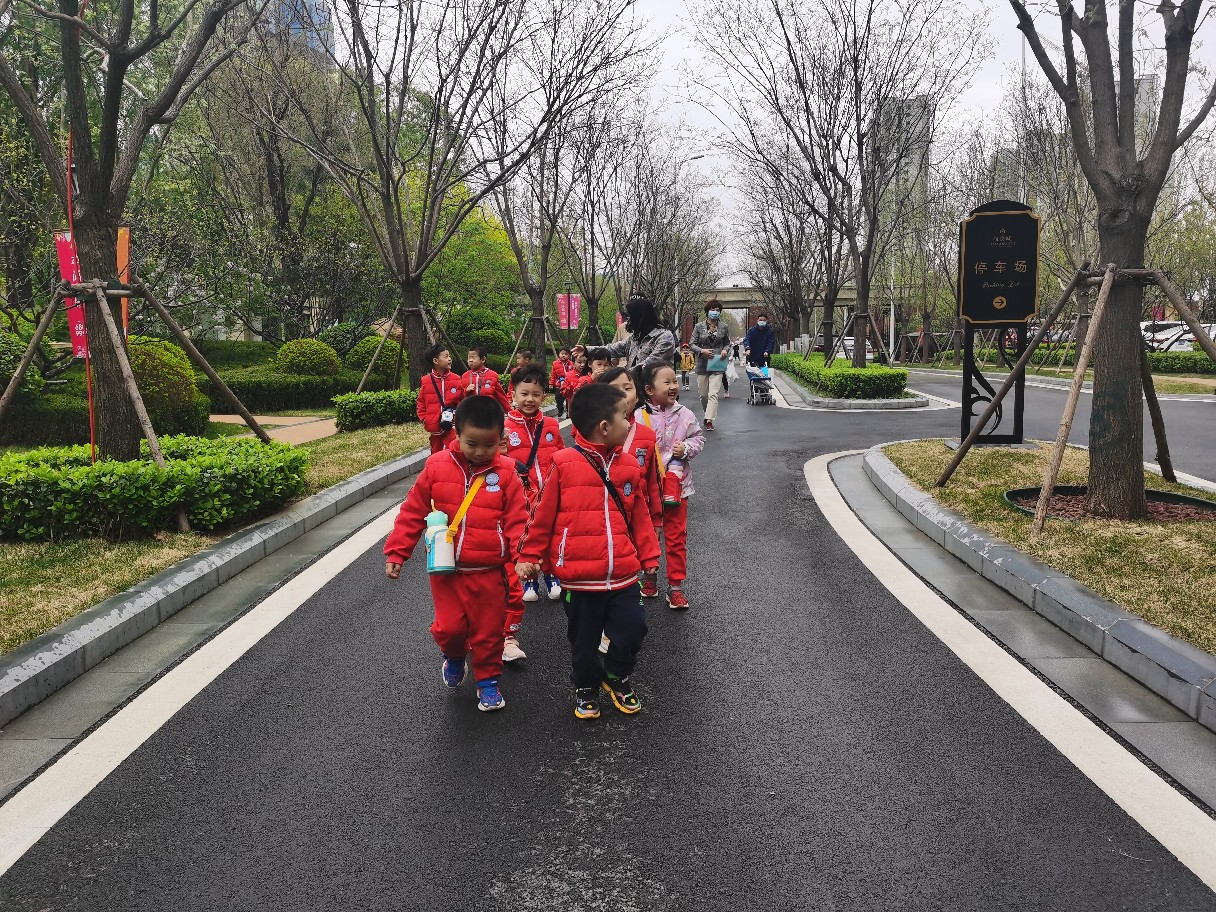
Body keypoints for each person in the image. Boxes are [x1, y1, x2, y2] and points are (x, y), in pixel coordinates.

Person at [515, 384, 660, 720]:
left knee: (634, 627)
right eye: (624, 416)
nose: (630, 423)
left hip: (623, 573)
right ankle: (586, 685)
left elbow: (639, 515)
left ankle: (616, 674)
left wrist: (649, 555)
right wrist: (529, 555)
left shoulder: (628, 466)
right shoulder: (563, 463)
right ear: (605, 427)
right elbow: (542, 514)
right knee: (583, 640)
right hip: (579, 578)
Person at [384, 396, 526, 712]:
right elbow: (413, 511)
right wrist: (397, 552)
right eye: (472, 443)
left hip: (489, 572)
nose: (480, 452)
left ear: (501, 439)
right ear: (457, 435)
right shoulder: (436, 467)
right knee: (450, 629)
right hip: (446, 571)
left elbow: (518, 520)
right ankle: (454, 654)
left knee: (489, 632)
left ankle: (488, 681)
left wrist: (524, 558)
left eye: (489, 445)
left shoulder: (506, 473)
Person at [637, 361, 704, 610]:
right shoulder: (638, 417)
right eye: (666, 382)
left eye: (675, 380)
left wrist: (686, 448)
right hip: (647, 490)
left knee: (676, 538)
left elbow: (698, 438)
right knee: (648, 535)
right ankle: (649, 576)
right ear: (649, 389)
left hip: (678, 488)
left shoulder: (685, 415)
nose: (673, 385)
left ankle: (675, 586)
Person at [504, 364, 565, 616]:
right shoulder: (506, 428)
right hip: (522, 495)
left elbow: (561, 454)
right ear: (514, 395)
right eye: (524, 393)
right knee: (525, 536)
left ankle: (551, 575)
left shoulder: (550, 424)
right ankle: (529, 580)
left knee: (550, 534)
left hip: (549, 493)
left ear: (543, 396)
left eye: (536, 394)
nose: (530, 399)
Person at [603, 293, 677, 370]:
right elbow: (613, 349)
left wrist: (622, 374)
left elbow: (648, 365)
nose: (628, 321)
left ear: (640, 318)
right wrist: (594, 350)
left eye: (631, 317)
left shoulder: (664, 338)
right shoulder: (634, 338)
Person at [416, 343, 466, 453]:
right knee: (436, 454)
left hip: (452, 425)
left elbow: (463, 401)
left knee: (454, 451)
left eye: (449, 356)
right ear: (435, 361)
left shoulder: (456, 379)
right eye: (446, 356)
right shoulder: (426, 380)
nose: (450, 359)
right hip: (434, 427)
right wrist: (424, 419)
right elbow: (421, 402)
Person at [689, 300, 731, 430]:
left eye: (717, 310)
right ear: (707, 311)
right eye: (713, 309)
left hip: (717, 364)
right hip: (702, 364)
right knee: (703, 395)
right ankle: (707, 414)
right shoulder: (698, 326)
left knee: (713, 393)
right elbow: (692, 344)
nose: (715, 312)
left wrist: (725, 350)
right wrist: (702, 351)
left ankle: (709, 420)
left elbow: (727, 343)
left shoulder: (724, 327)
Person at [463, 346, 510, 411]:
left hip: (489, 412)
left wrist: (510, 411)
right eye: (469, 357)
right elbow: (460, 397)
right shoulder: (465, 376)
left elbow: (501, 396)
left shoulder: (492, 375)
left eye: (473, 357)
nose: (470, 360)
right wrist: (466, 391)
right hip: (471, 412)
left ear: (483, 359)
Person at [550, 348, 572, 418]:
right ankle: (560, 409)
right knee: (558, 398)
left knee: (568, 399)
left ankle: (568, 412)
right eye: (562, 354)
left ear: (569, 356)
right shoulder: (555, 363)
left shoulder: (571, 364)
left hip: (568, 384)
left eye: (566, 354)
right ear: (559, 354)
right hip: (559, 384)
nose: (563, 355)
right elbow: (553, 375)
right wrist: (551, 383)